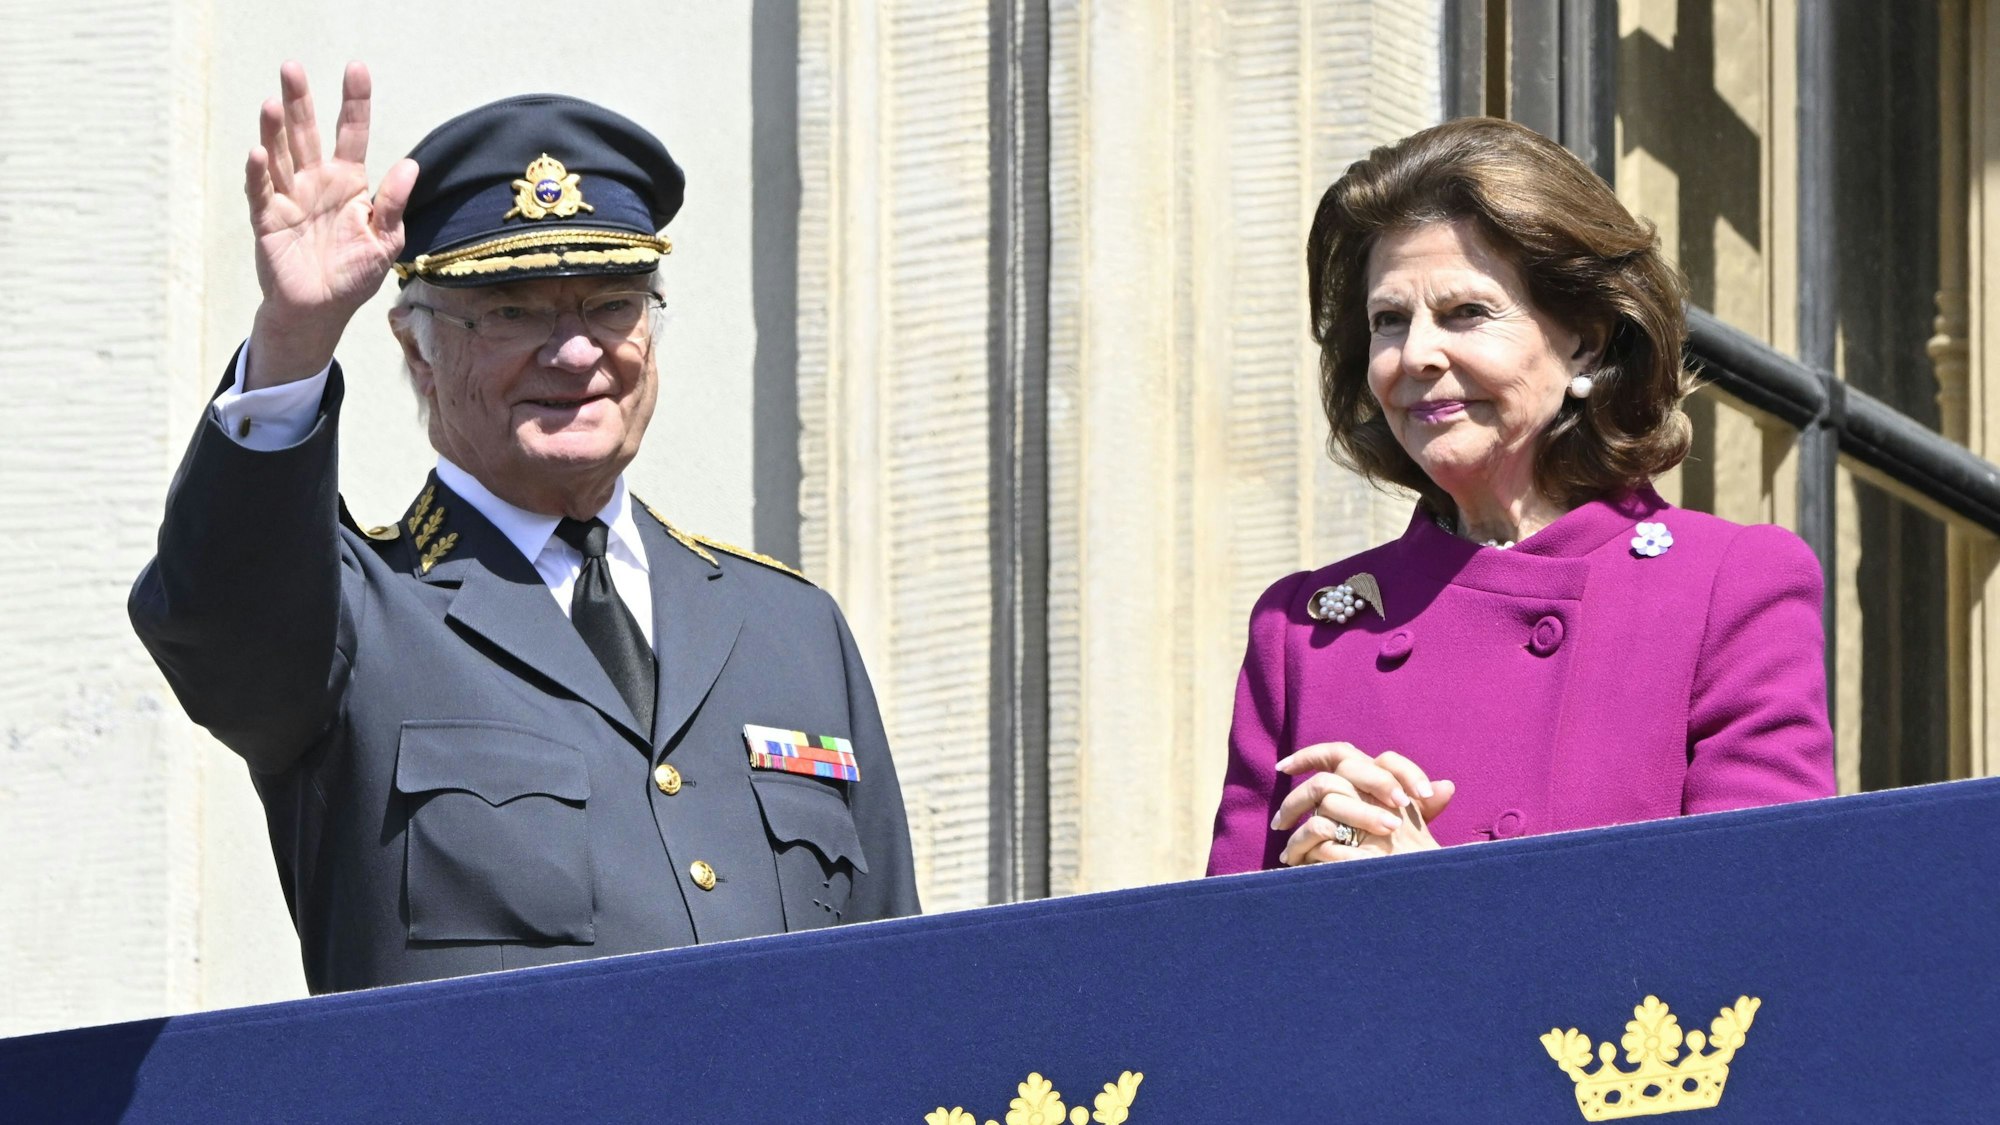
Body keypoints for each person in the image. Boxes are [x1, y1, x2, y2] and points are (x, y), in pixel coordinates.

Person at [130, 63, 918, 993]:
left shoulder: (792, 628)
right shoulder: (354, 615)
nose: (578, 350)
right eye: (513, 311)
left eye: (611, 303)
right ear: (417, 346)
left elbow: (899, 987)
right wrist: (294, 338)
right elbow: (215, 616)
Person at [1206, 117, 1835, 875]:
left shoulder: (1728, 585)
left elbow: (1756, 912)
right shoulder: (1302, 632)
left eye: (1466, 312)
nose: (1417, 356)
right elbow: (1227, 964)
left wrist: (1434, 895)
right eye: (1388, 321)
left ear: (1587, 337)